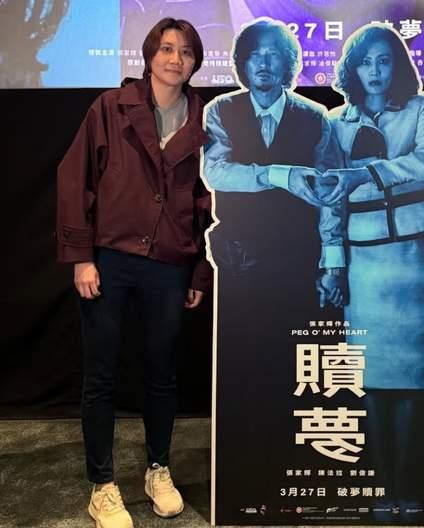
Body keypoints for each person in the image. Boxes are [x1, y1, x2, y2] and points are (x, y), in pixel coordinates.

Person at [57, 17, 210, 528]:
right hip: (111, 259)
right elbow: (75, 178)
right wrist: (81, 257)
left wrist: (199, 272)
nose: (175, 59)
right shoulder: (110, 107)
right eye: (166, 49)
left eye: (185, 52)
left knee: (162, 373)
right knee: (100, 375)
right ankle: (102, 485)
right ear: (148, 55)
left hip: (169, 263)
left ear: (195, 62)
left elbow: (208, 202)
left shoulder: (206, 119)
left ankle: (158, 468)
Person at [200, 17, 341, 509]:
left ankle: (288, 470)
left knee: (293, 366)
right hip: (240, 258)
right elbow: (217, 172)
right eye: (254, 53)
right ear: (241, 62)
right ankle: (246, 474)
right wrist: (278, 174)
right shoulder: (221, 110)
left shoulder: (314, 117)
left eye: (273, 53)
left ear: (289, 64)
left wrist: (332, 262)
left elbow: (330, 193)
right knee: (243, 365)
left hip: (297, 258)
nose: (263, 62)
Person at [323, 23, 424, 515]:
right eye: (364, 62)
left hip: (414, 258)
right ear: (352, 70)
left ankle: (408, 486)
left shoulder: (422, 107)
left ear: (397, 65)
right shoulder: (335, 121)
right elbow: (330, 198)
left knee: (415, 376)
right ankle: (382, 486)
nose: (374, 71)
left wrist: (367, 173)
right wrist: (333, 264)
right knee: (370, 377)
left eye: (384, 60)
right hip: (363, 262)